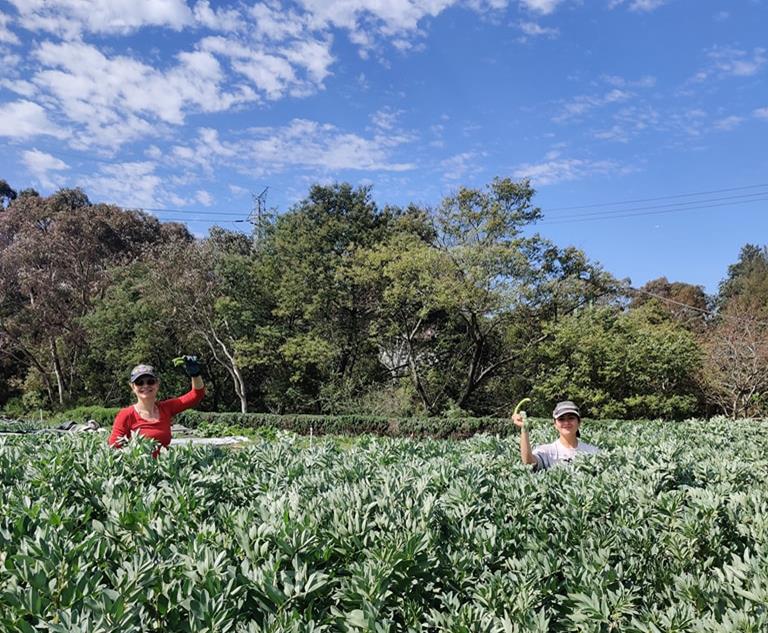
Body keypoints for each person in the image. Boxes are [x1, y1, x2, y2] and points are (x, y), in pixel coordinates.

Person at [108, 357, 205, 455]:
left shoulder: (166, 408)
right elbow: (114, 448)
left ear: (157, 384)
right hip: (138, 469)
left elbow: (196, 395)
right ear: (133, 387)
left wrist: (195, 374)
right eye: (139, 383)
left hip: (165, 467)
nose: (145, 386)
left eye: (150, 381)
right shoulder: (126, 415)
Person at [512, 400, 599, 471]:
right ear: (555, 424)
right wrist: (524, 429)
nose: (566, 423)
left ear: (579, 422)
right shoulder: (547, 451)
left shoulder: (593, 452)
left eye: (571, 418)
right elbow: (529, 463)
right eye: (561, 419)